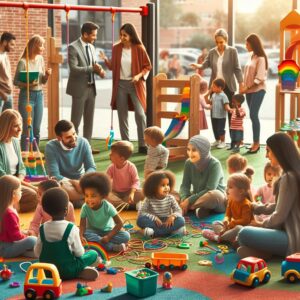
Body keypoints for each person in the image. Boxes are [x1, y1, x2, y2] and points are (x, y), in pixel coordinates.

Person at [237, 132, 300, 259]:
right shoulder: (292, 174)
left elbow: (279, 216)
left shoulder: (288, 177)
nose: (266, 156)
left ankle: (269, 252)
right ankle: (265, 253)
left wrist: (260, 224)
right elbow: (279, 206)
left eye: (268, 151)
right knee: (243, 238)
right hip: (290, 235)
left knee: (243, 233)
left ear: (279, 151)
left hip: (293, 239)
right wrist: (256, 207)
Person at [100, 23, 152, 154]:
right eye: (121, 35)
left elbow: (148, 66)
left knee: (140, 115)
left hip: (135, 85)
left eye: (125, 35)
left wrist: (138, 76)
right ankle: (126, 144)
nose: (122, 37)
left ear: (131, 35)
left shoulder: (139, 48)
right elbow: (113, 67)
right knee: (122, 115)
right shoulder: (116, 48)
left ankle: (142, 144)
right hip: (120, 85)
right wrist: (106, 59)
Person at [34, 187, 100, 281]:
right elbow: (79, 253)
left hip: (48, 271)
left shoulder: (42, 228)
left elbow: (37, 253)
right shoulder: (71, 228)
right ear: (66, 210)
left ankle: (78, 271)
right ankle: (79, 271)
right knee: (93, 253)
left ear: (45, 210)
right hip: (68, 270)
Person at [190, 28, 244, 129]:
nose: (219, 44)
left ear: (226, 40)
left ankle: (233, 140)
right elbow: (206, 64)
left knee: (230, 113)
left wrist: (241, 82)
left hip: (228, 86)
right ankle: (218, 138)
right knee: (215, 113)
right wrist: (198, 66)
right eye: (217, 42)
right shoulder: (212, 52)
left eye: (221, 42)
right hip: (215, 87)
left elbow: (237, 68)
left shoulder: (232, 51)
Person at [66, 22, 105, 155]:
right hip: (79, 89)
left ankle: (87, 147)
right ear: (85, 34)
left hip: (91, 88)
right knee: (76, 121)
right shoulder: (73, 47)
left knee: (89, 120)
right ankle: (73, 147)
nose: (95, 38)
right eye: (93, 35)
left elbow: (93, 65)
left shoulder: (91, 47)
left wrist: (99, 71)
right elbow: (74, 69)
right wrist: (91, 68)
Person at [44, 120, 96, 208]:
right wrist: (73, 182)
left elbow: (91, 167)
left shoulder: (84, 142)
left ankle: (73, 201)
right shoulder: (50, 147)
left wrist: (82, 182)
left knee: (98, 180)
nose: (73, 138)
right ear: (59, 138)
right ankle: (91, 198)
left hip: (82, 181)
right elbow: (55, 174)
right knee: (56, 188)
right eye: (68, 137)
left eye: (74, 134)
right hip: (64, 183)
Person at [14, 34, 52, 151]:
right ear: (34, 46)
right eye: (41, 46)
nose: (43, 48)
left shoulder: (40, 59)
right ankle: (24, 156)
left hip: (39, 96)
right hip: (27, 96)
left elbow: (43, 82)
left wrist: (47, 75)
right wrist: (28, 85)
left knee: (36, 129)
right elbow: (15, 81)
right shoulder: (23, 62)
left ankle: (35, 155)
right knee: (27, 129)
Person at [79, 172, 130, 252]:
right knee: (85, 234)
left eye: (93, 196)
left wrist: (109, 237)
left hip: (107, 232)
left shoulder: (108, 206)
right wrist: (80, 236)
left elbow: (119, 223)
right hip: (93, 232)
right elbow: (82, 226)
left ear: (103, 195)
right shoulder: (85, 207)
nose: (89, 199)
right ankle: (113, 247)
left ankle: (97, 244)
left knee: (126, 236)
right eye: (86, 195)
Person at [179, 135, 226, 218]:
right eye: (188, 149)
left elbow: (210, 189)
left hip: (215, 199)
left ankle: (189, 207)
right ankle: (200, 208)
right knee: (171, 194)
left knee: (213, 195)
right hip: (197, 196)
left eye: (194, 150)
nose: (190, 153)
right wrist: (184, 198)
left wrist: (189, 200)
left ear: (203, 151)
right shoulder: (188, 163)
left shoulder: (215, 164)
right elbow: (184, 186)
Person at [0, 109, 37, 212]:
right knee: (35, 195)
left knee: (41, 195)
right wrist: (29, 187)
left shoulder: (16, 142)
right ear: (6, 127)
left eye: (20, 124)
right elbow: (3, 176)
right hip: (4, 184)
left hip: (16, 183)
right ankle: (9, 208)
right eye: (15, 126)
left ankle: (9, 206)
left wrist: (20, 181)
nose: (20, 129)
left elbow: (21, 167)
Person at [202, 173, 253, 245]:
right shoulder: (231, 200)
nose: (227, 189)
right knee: (215, 223)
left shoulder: (246, 204)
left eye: (230, 187)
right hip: (231, 228)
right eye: (227, 186)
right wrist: (226, 220)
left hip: (242, 229)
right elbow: (228, 214)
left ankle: (218, 238)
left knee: (239, 228)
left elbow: (245, 221)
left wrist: (232, 223)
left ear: (241, 191)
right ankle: (230, 238)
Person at [240, 33, 268, 154]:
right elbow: (247, 73)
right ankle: (254, 142)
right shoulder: (252, 55)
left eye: (247, 44)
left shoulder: (261, 58)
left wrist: (246, 87)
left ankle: (256, 143)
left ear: (253, 44)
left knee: (253, 115)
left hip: (258, 90)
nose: (246, 46)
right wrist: (243, 86)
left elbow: (259, 78)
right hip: (249, 91)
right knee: (252, 116)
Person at [137, 170, 185, 238]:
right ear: (153, 187)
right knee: (140, 220)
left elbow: (179, 210)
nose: (166, 187)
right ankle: (169, 232)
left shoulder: (171, 198)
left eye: (168, 184)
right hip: (154, 222)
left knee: (181, 220)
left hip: (167, 222)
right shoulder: (149, 199)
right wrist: (154, 218)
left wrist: (173, 216)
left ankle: (154, 233)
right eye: (163, 185)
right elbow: (142, 212)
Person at [0, 175, 37, 258]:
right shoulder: (9, 213)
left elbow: (11, 232)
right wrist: (28, 236)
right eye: (20, 190)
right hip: (5, 249)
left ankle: (31, 253)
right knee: (32, 240)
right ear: (13, 194)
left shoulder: (6, 208)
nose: (21, 192)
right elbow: (16, 237)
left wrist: (24, 232)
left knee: (33, 250)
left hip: (6, 245)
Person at [106, 141, 143, 209]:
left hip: (128, 193)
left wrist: (132, 194)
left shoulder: (131, 167)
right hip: (115, 194)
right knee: (106, 195)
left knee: (143, 192)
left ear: (122, 158)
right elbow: (106, 181)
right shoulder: (111, 167)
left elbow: (136, 181)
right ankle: (129, 206)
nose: (109, 155)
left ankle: (122, 205)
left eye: (112, 154)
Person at [206, 78, 231, 149]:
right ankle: (217, 140)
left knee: (220, 129)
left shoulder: (223, 96)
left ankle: (223, 142)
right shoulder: (213, 95)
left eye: (213, 86)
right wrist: (208, 92)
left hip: (221, 116)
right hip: (214, 115)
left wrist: (229, 109)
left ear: (219, 87)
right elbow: (208, 102)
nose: (212, 88)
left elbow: (226, 105)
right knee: (215, 129)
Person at [0, 32, 16, 112]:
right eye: (11, 44)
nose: (13, 47)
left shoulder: (5, 55)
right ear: (4, 42)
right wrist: (2, 93)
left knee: (8, 121)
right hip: (1, 95)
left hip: (8, 94)